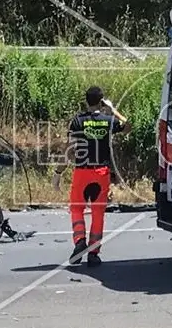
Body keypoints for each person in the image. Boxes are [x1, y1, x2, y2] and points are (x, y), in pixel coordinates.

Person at [52, 86, 131, 266]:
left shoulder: (78, 121)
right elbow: (128, 127)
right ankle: (93, 253)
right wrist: (114, 111)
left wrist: (58, 172)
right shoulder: (108, 120)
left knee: (77, 209)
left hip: (82, 171)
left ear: (85, 101)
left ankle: (80, 241)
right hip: (101, 173)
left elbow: (70, 150)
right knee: (98, 213)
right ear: (101, 101)